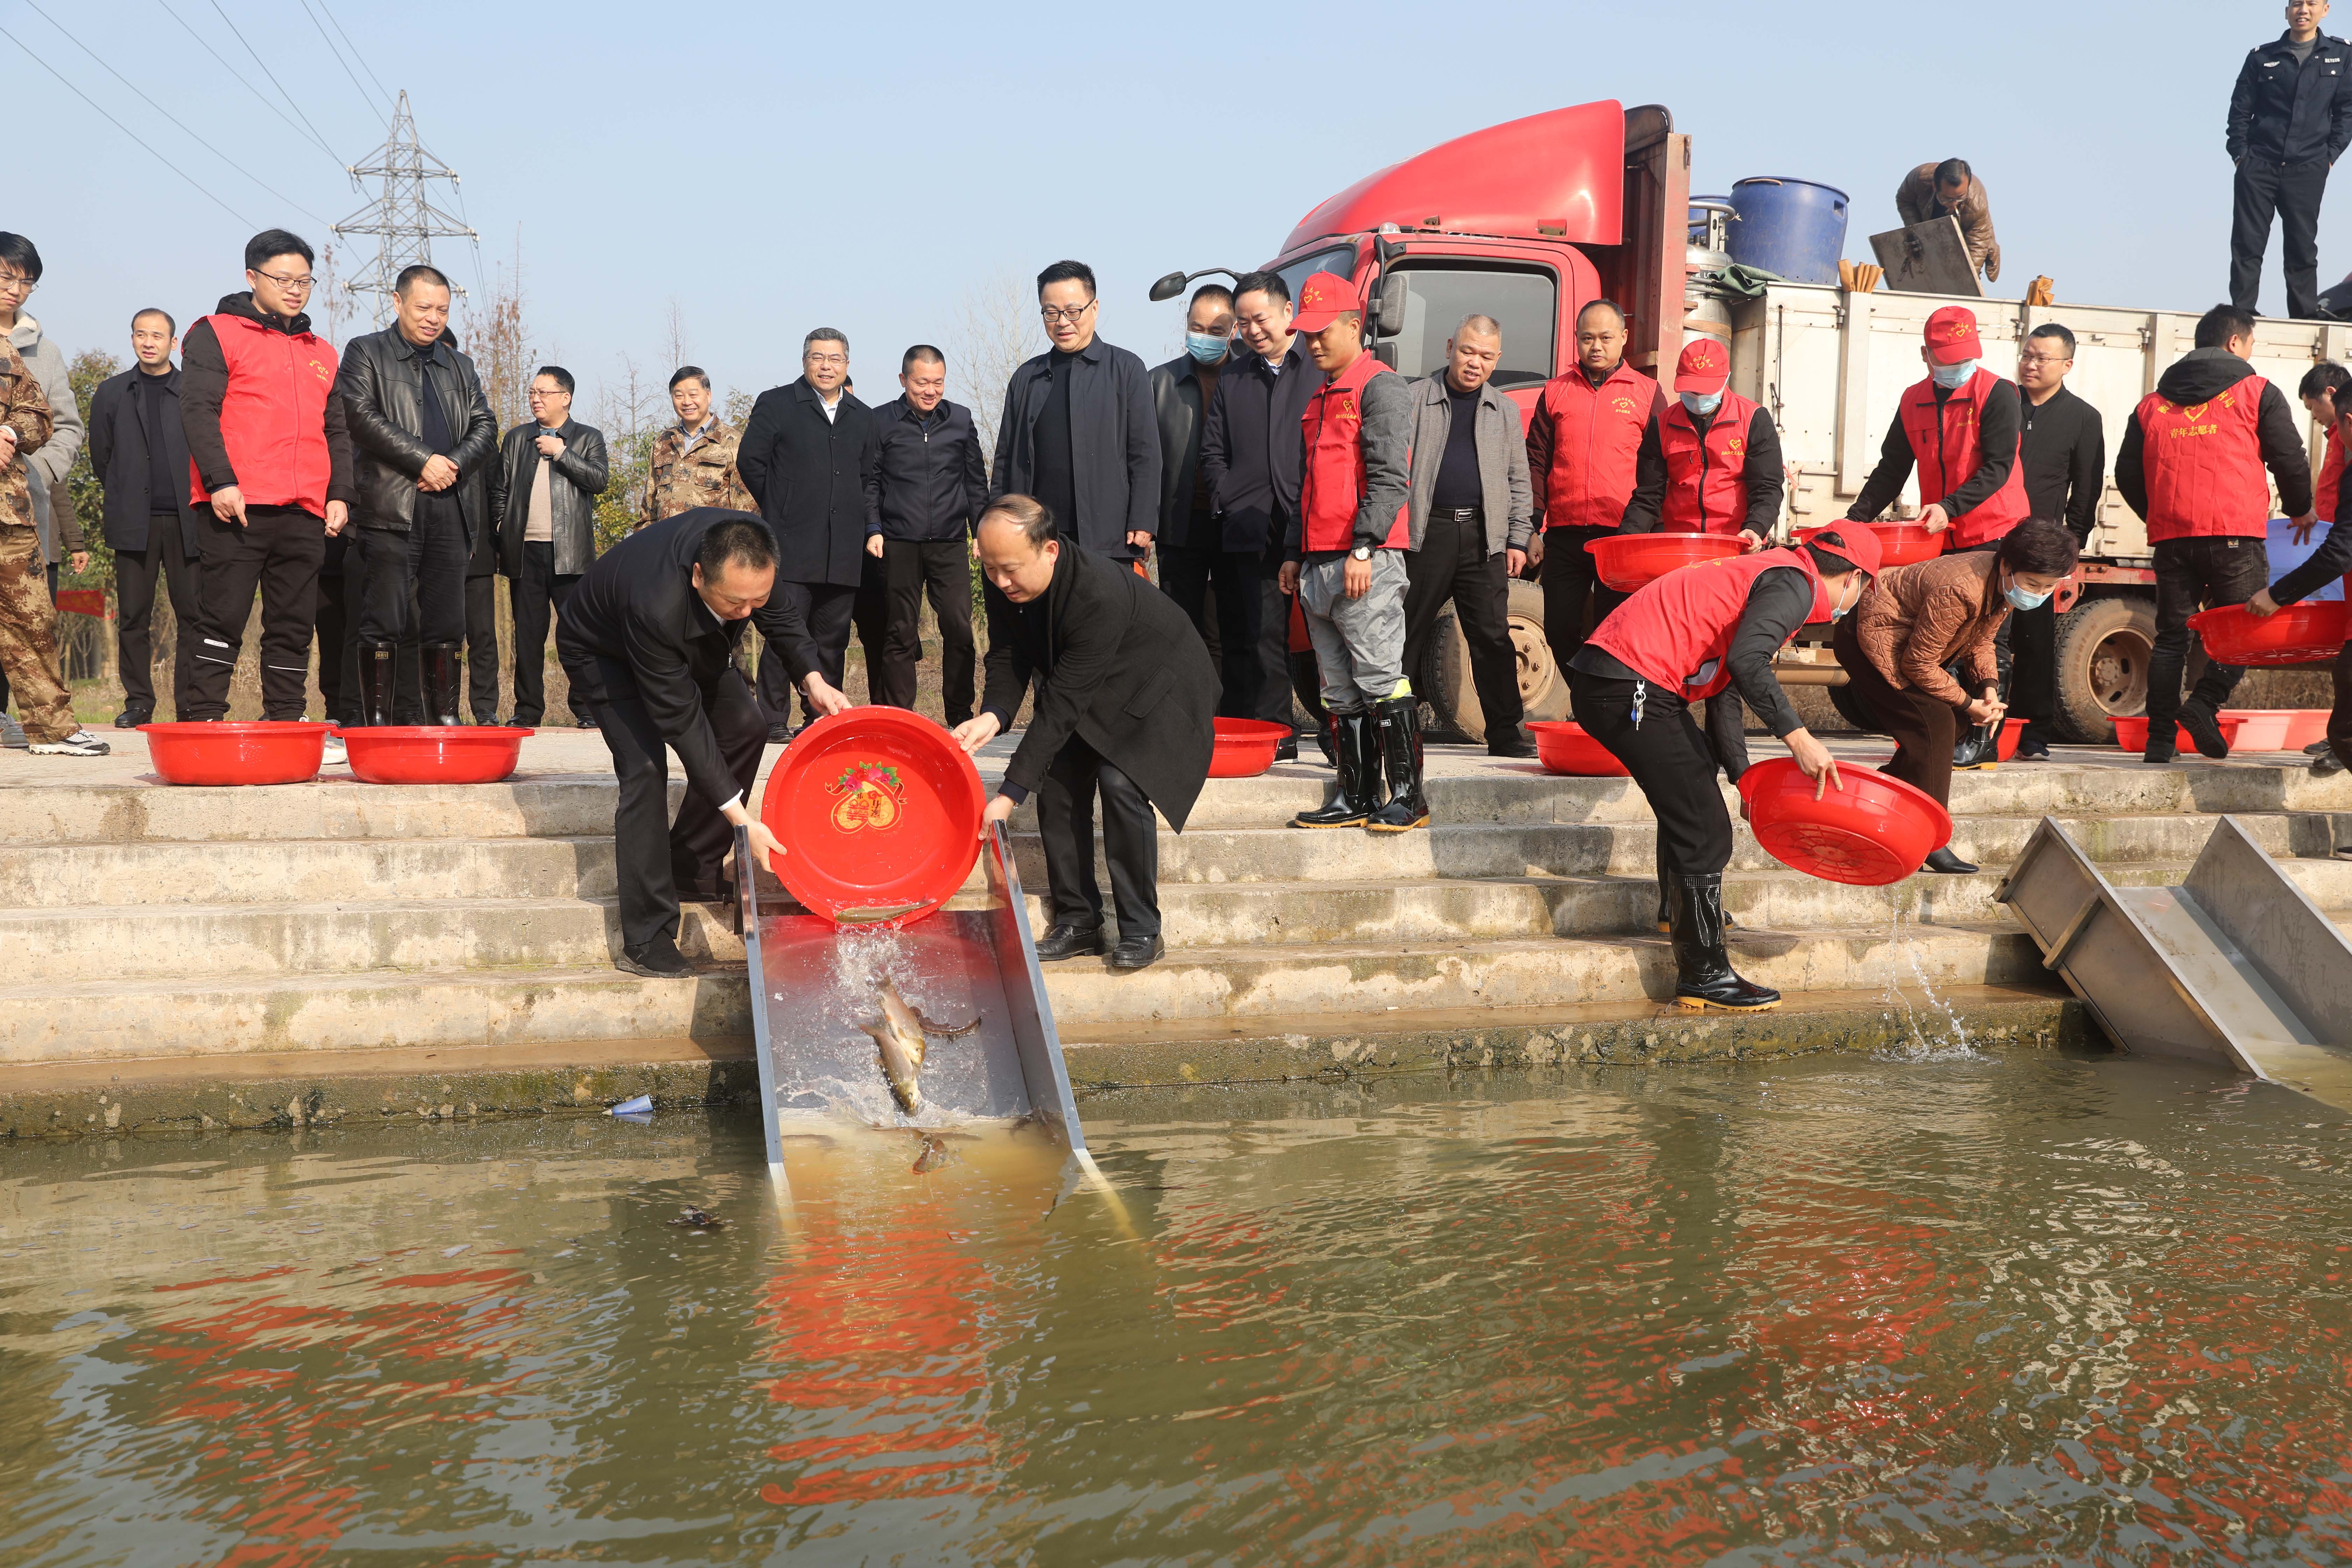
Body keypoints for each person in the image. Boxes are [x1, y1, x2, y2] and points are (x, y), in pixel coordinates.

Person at [1571, 527, 1881, 1011]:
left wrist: (1744, 777)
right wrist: (1799, 738)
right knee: (1705, 826)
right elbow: (1747, 662)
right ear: (1855, 578)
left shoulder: (1771, 572)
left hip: (1617, 679)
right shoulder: (1796, 585)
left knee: (1695, 787)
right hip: (1629, 684)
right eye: (1863, 590)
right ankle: (1705, 975)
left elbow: (1726, 693)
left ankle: (1677, 914)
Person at [951, 495, 1215, 973]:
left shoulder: (1097, 593)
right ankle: (1079, 921)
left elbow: (1063, 704)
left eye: (1009, 569)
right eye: (989, 569)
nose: (1000, 581)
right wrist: (994, 713)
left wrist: (1009, 795)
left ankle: (1140, 927)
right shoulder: (1004, 576)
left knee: (1121, 782)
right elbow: (1009, 652)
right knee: (1056, 784)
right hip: (1098, 683)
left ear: (1049, 550)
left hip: (1161, 686)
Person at [557, 510, 810, 979]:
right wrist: (742, 820)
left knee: (746, 727)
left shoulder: (748, 551)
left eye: (757, 599)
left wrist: (813, 680)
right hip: (603, 651)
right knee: (645, 769)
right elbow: (682, 721)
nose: (748, 613)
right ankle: (646, 936)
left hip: (689, 638)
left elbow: (781, 615)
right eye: (737, 604)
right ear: (699, 575)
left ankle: (690, 868)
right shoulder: (656, 602)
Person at [2115, 303, 2315, 762]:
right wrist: (2301, 509)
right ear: (2234, 343)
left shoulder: (2151, 404)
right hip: (2236, 537)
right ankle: (2204, 704)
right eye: (2250, 344)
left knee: (2170, 639)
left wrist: (2161, 514)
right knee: (2245, 633)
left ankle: (2160, 743)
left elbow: (2127, 474)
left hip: (2172, 538)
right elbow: (2289, 456)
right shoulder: (2257, 391)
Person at [180, 229, 356, 739]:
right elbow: (198, 410)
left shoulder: (320, 349)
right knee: (222, 619)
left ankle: (286, 718)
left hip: (305, 511)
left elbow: (337, 428)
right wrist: (220, 481)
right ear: (252, 277)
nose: (295, 289)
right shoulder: (216, 332)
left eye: (305, 280)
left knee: (294, 626)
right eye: (283, 279)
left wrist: (341, 492)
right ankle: (205, 717)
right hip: (238, 505)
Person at [1834, 522, 2080, 873]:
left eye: (2048, 587)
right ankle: (1932, 840)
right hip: (1870, 636)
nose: (2038, 593)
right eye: (2033, 584)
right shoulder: (1961, 588)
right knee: (1935, 722)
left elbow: (1981, 641)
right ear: (2007, 566)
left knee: (1953, 725)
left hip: (1907, 642)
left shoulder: (2003, 584)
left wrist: (1989, 691)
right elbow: (1918, 664)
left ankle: (1875, 806)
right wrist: (1968, 702)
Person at [1275, 272, 1425, 833]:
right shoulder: (1318, 396)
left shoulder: (1379, 386)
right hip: (1317, 563)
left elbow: (1390, 478)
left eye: (1322, 333)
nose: (1312, 344)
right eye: (1305, 336)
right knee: (1338, 688)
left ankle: (1409, 795)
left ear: (1354, 326)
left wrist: (1365, 547)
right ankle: (1357, 794)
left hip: (1365, 561)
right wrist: (1294, 553)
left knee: (1382, 678)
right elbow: (1306, 484)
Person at [336, 264, 497, 728]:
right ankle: (378, 722)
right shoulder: (366, 352)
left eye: (443, 309)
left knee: (448, 623)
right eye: (424, 307)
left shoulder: (458, 364)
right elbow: (360, 416)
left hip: (449, 507)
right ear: (397, 302)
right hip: (390, 508)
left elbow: (486, 427)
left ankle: (445, 717)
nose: (434, 318)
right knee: (383, 620)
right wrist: (423, 459)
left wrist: (455, 465)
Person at [1620, 337, 1786, 780]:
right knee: (1668, 658)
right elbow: (1648, 495)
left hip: (1733, 558)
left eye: (1706, 390)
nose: (1696, 400)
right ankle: (1672, 753)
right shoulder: (1663, 424)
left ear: (1726, 381)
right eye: (1689, 390)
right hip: (1678, 558)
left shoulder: (1754, 420)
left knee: (1724, 665)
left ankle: (1737, 769)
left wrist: (1755, 528)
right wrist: (1628, 544)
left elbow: (1769, 488)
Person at [1400, 312, 1536, 758]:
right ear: (1448, 349)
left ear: (1497, 360)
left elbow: (1519, 479)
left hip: (1483, 536)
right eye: (1466, 351)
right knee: (1405, 632)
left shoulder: (1505, 410)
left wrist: (1517, 538)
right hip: (1426, 533)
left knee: (1493, 637)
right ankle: (1397, 731)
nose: (1474, 362)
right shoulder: (1415, 399)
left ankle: (1505, 733)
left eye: (1485, 355)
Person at [1202, 270, 1324, 760]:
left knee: (1326, 629)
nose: (1252, 331)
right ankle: (1280, 734)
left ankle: (1343, 732)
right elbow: (1213, 450)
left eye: (1261, 319)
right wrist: (1228, 496)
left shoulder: (1317, 364)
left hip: (1312, 519)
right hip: (1251, 521)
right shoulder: (1234, 374)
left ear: (1288, 312)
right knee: (1262, 633)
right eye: (1243, 322)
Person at [737, 328, 882, 739]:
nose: (826, 365)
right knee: (786, 629)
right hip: (791, 541)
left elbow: (868, 476)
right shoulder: (779, 403)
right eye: (818, 357)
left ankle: (820, 718)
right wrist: (780, 503)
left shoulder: (863, 416)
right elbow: (751, 460)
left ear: (847, 365)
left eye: (835, 359)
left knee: (832, 638)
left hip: (843, 545)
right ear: (804, 362)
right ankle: (772, 718)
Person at [1527, 299, 1665, 692]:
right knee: (1558, 630)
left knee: (1614, 632)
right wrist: (1532, 526)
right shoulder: (1555, 392)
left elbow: (1660, 471)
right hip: (1566, 534)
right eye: (1587, 338)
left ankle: (1606, 710)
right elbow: (1535, 462)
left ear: (1624, 337)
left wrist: (1648, 531)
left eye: (1606, 337)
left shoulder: (1647, 393)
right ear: (1576, 339)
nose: (1596, 347)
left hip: (1621, 538)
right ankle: (1588, 699)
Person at [989, 260, 1160, 567]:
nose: (1062, 322)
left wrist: (1144, 519)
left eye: (1072, 311)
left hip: (1109, 535)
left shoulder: (1126, 370)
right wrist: (998, 521)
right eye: (1051, 313)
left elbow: (1145, 454)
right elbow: (1005, 461)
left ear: (1094, 308)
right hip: (1037, 536)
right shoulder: (1027, 378)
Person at [87, 309, 204, 726]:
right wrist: (126, 489)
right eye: (141, 334)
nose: (148, 341)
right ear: (133, 339)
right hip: (134, 521)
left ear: (174, 343)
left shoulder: (193, 389)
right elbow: (102, 458)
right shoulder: (113, 392)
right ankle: (138, 703)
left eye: (158, 335)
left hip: (188, 521)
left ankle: (191, 705)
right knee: (134, 617)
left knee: (192, 614)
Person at [1846, 306, 2028, 563]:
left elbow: (1999, 466)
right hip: (1938, 535)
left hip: (1995, 533)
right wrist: (1854, 521)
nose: (1959, 366)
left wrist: (1948, 507)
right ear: (1925, 355)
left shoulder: (1997, 394)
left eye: (1965, 360)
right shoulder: (1913, 400)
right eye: (1949, 359)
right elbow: (1892, 470)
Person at [864, 345, 986, 723]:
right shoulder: (880, 421)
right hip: (898, 541)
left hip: (950, 541)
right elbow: (869, 482)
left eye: (938, 383)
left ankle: (960, 713)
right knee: (899, 631)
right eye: (922, 383)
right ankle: (902, 717)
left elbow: (976, 482)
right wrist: (873, 528)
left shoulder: (961, 420)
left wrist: (981, 530)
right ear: (904, 381)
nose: (931, 391)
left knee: (958, 626)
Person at [1154, 285, 1259, 714]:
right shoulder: (1158, 383)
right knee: (1181, 629)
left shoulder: (1251, 377)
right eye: (1197, 327)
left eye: (1217, 328)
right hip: (1180, 525)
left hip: (1237, 524)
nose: (1206, 335)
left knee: (1238, 629)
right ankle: (1186, 719)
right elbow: (1143, 459)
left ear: (1234, 329)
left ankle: (1236, 718)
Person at [0, 234, 87, 749]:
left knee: (30, 619)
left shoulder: (43, 351)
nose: (16, 289)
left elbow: (67, 427)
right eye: (7, 277)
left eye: (26, 281)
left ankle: (39, 725)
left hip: (19, 509)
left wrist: (37, 474)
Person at [490, 365, 609, 727]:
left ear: (565, 397)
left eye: (543, 392)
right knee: (528, 635)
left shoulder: (588, 437)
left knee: (579, 635)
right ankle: (527, 710)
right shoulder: (516, 438)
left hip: (571, 554)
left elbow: (599, 480)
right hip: (525, 552)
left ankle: (587, 709)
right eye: (532, 392)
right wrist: (501, 525)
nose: (535, 399)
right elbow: (499, 490)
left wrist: (561, 452)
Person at [2008, 323, 2106, 760]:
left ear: (2067, 365)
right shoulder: (2000, 403)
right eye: (2026, 355)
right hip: (1990, 541)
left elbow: (2086, 488)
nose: (2030, 364)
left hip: (2042, 548)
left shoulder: (2083, 418)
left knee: (2034, 641)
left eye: (2041, 358)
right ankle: (1980, 725)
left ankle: (2033, 733)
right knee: (1982, 637)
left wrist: (2072, 545)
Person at [2228, 0, 2352, 322]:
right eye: (2297, 3)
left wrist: (2330, 157)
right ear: (2286, 11)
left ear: (2325, 10)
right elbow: (2240, 110)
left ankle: (2304, 316)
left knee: (2301, 246)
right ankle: (2242, 314)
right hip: (2259, 164)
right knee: (2248, 243)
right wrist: (2241, 155)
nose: (2303, 10)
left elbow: (2347, 113)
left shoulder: (2343, 55)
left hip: (2309, 165)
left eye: (2312, 3)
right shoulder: (2262, 57)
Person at [640, 367, 753, 525]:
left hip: (711, 545)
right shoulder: (663, 443)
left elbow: (746, 508)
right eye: (679, 396)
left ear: (709, 395)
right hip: (667, 544)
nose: (687, 402)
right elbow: (649, 509)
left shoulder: (733, 442)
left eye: (693, 395)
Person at [1895, 159, 2000, 284]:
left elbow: (1976, 247)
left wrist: (1966, 282)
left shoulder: (1977, 205)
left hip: (1971, 235)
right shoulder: (1918, 179)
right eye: (1948, 199)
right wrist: (1918, 231)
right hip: (1933, 229)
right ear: (1935, 187)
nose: (1954, 204)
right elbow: (1904, 200)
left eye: (1960, 198)